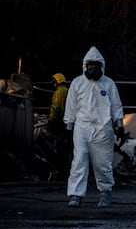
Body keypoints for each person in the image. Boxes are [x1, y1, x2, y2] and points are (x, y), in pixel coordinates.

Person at [63, 46, 124, 208]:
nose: (92, 68)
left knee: (102, 163)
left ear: (101, 66)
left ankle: (105, 193)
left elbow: (116, 105)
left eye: (95, 65)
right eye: (90, 65)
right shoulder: (77, 83)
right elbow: (71, 105)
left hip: (103, 129)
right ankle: (75, 194)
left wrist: (119, 124)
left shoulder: (108, 84)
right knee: (79, 160)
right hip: (82, 127)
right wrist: (69, 123)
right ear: (85, 65)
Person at [49, 73, 71, 179]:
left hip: (59, 122)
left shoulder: (58, 93)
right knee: (66, 147)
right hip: (67, 122)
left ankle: (59, 170)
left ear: (56, 82)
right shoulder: (68, 91)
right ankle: (65, 168)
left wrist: (51, 119)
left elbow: (55, 107)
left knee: (59, 147)